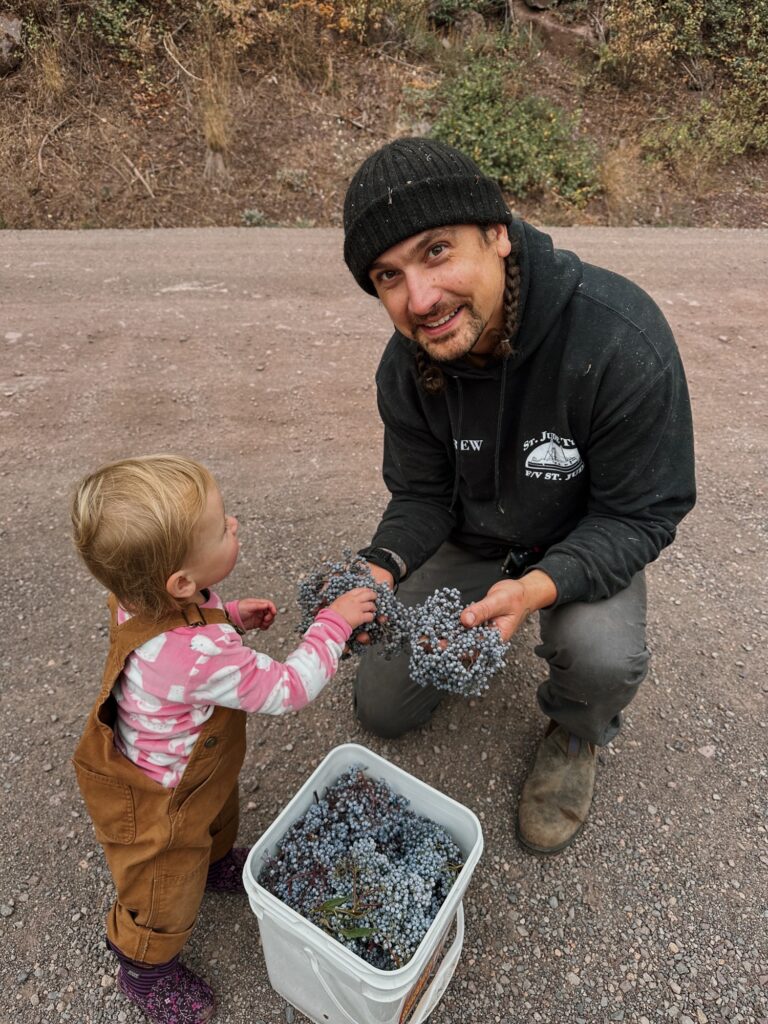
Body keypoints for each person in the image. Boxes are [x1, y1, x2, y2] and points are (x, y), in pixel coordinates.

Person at [343, 137, 696, 855]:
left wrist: (537, 588)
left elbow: (640, 513)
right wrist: (378, 569)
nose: (420, 300)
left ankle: (576, 729)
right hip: (474, 536)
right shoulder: (408, 367)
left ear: (497, 234)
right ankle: (475, 612)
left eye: (437, 251)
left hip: (579, 537)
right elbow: (421, 495)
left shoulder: (617, 337)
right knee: (382, 708)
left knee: (599, 655)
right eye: (389, 275)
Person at [70, 454, 376, 1024]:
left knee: (216, 817)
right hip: (162, 800)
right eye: (221, 527)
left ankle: (212, 864)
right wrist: (332, 623)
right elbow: (289, 688)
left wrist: (228, 615)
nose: (234, 524)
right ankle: (143, 965)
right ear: (181, 582)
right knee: (162, 887)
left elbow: (185, 632)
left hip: (189, 770)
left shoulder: (138, 598)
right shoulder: (199, 656)